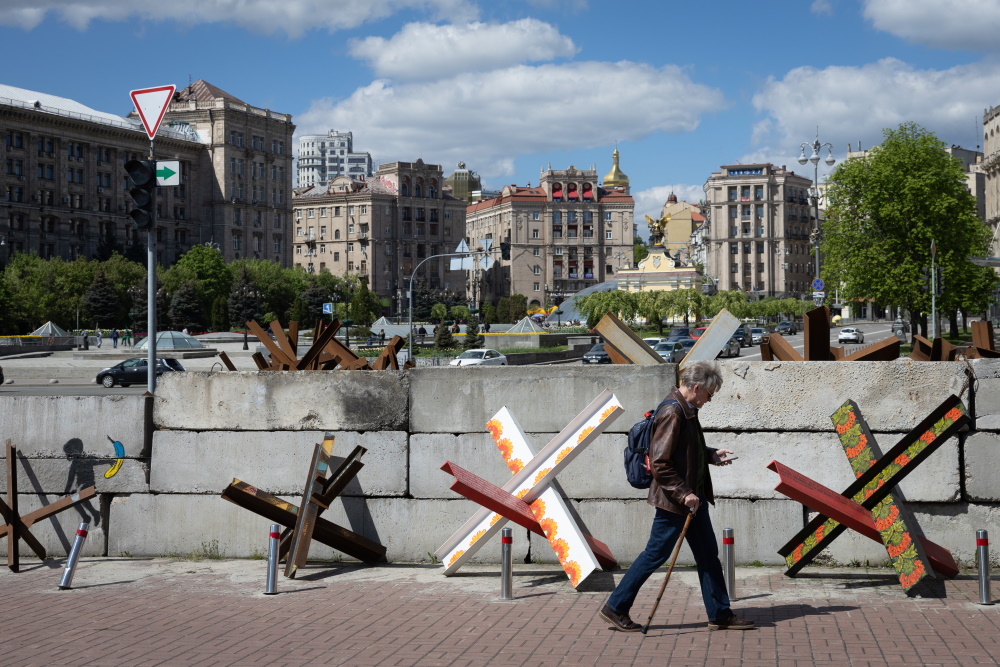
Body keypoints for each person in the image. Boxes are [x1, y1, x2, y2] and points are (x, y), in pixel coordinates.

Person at [600, 361, 754, 632]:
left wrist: (711, 455)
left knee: (708, 556)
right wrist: (684, 494)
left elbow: (686, 451)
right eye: (709, 394)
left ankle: (720, 614)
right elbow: (660, 463)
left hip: (692, 500)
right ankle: (615, 606)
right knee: (655, 554)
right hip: (676, 502)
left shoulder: (686, 409)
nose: (709, 399)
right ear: (696, 387)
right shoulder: (673, 412)